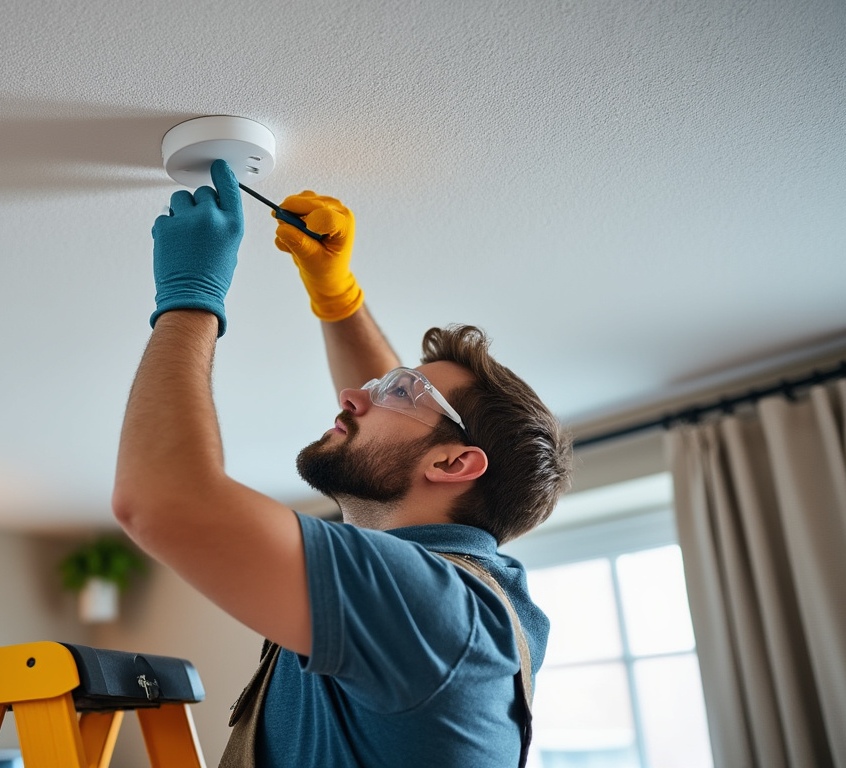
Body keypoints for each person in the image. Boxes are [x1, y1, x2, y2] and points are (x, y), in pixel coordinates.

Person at [113, 159, 573, 767]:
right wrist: (337, 296)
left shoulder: (433, 607)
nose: (352, 396)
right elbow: (399, 431)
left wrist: (190, 298)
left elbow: (163, 501)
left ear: (454, 463)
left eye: (399, 393)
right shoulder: (452, 605)